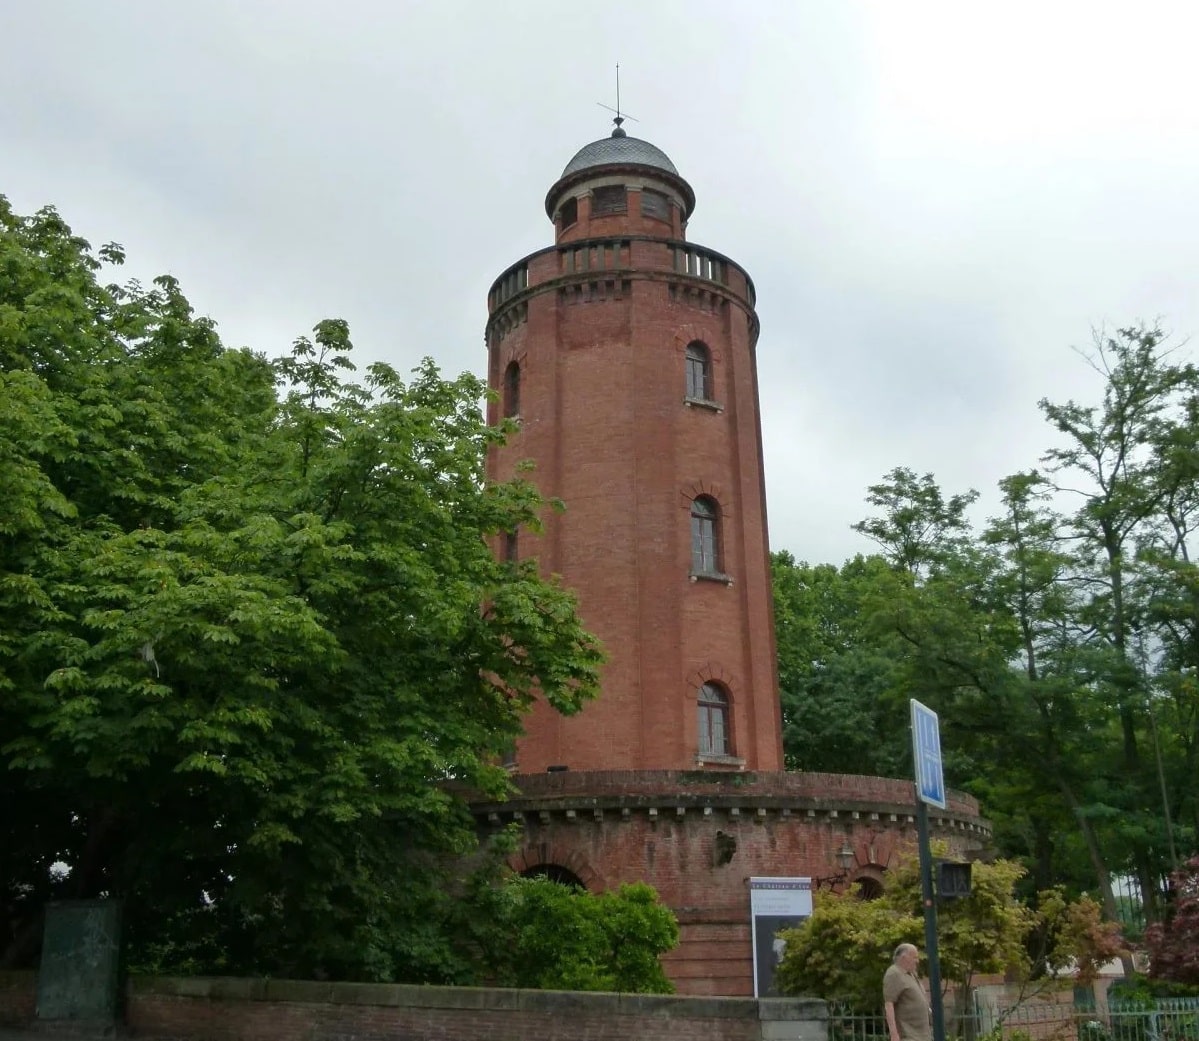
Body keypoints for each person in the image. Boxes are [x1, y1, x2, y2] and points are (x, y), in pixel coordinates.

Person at [884, 943, 931, 1041]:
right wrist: (894, 1035)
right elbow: (889, 1004)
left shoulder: (911, 974)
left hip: (922, 1035)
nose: (917, 961)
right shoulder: (894, 973)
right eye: (915, 957)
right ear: (904, 957)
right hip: (908, 1036)